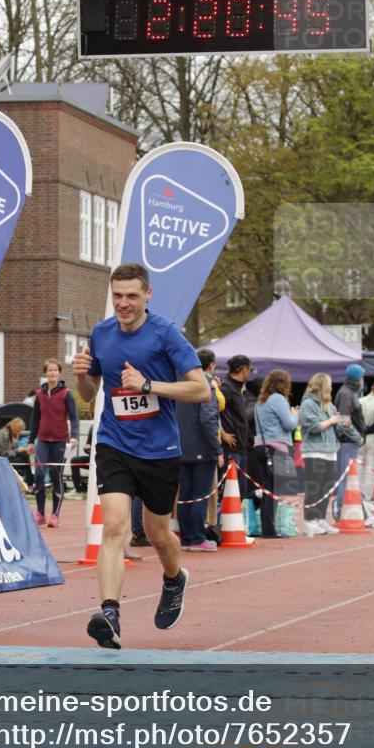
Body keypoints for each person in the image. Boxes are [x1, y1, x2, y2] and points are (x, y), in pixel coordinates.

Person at [72, 262, 209, 650]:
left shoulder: (166, 334)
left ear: (148, 295)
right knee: (114, 526)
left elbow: (199, 390)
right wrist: (82, 376)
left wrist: (149, 384)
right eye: (117, 296)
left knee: (158, 533)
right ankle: (110, 613)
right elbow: (89, 394)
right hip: (115, 442)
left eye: (132, 295)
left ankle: (174, 577)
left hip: (159, 448)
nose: (123, 303)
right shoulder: (101, 334)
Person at [176, 348, 224, 551]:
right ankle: (196, 537)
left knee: (185, 494)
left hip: (180, 447)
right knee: (200, 494)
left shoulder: (177, 383)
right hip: (201, 447)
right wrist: (217, 448)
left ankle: (187, 537)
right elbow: (208, 418)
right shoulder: (205, 385)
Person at [27, 358, 79, 527]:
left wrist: (74, 436)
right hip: (42, 439)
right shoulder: (40, 394)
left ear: (59, 372)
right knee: (40, 475)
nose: (52, 373)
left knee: (57, 476)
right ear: (45, 372)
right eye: (49, 370)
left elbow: (74, 417)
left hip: (60, 440)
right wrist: (30, 441)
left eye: (55, 370)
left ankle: (55, 515)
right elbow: (35, 419)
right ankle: (40, 513)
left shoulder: (66, 393)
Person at [252, 369, 298, 537]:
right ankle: (269, 529)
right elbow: (289, 425)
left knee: (267, 489)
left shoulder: (260, 402)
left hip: (260, 446)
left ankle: (267, 526)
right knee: (273, 490)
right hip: (275, 447)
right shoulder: (278, 399)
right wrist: (295, 414)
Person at [299, 373, 343, 537]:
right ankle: (310, 521)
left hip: (330, 451)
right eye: (330, 384)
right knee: (314, 487)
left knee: (326, 488)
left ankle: (321, 519)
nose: (332, 387)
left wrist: (341, 422)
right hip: (314, 451)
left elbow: (335, 428)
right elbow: (313, 427)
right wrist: (332, 421)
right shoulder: (308, 404)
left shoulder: (329, 405)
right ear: (323, 385)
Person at [334, 364, 366, 516]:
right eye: (361, 376)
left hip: (349, 441)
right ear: (357, 379)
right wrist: (358, 438)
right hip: (347, 441)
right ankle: (341, 510)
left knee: (348, 477)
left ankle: (346, 509)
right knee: (346, 477)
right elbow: (344, 421)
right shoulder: (346, 394)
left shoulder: (350, 392)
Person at [219, 354, 252, 501]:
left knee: (240, 491)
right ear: (244, 369)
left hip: (241, 447)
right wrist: (222, 433)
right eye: (250, 369)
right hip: (230, 448)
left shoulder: (238, 388)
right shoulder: (226, 388)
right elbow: (211, 410)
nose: (250, 372)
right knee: (229, 491)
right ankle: (221, 523)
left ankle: (236, 523)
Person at [0, 417, 29, 491]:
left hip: (6, 456)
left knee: (25, 455)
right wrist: (17, 451)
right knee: (23, 460)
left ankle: (28, 482)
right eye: (19, 430)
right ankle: (28, 482)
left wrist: (19, 450)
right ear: (16, 428)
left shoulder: (10, 434)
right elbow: (4, 453)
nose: (19, 432)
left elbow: (10, 450)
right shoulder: (4, 434)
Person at [70, 425, 92, 494]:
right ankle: (77, 490)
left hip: (104, 459)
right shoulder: (92, 427)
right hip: (92, 459)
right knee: (74, 460)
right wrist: (87, 448)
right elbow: (87, 446)